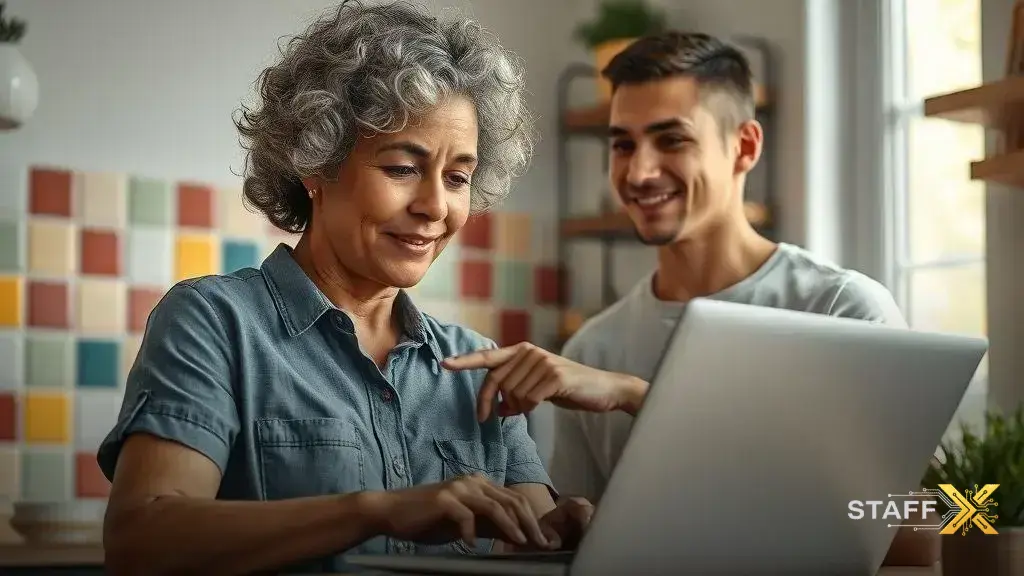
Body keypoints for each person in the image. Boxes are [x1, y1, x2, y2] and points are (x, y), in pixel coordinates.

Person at [96, 2, 592, 575]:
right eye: (402, 168)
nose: (435, 206)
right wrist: (376, 511)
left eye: (458, 177)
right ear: (316, 164)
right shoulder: (214, 322)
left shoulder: (477, 367)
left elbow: (534, 541)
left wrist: (567, 534)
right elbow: (141, 542)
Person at [443, 31, 937, 565]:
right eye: (623, 144)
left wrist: (636, 396)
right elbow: (591, 549)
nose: (639, 172)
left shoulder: (845, 309)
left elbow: (935, 528)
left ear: (745, 146)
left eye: (672, 140)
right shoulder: (594, 347)